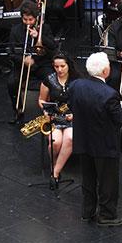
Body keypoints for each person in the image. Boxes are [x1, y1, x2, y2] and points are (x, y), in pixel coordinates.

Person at [68, 52, 122, 226]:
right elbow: (118, 118)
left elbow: (75, 106)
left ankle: (87, 211)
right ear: (106, 71)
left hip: (84, 141)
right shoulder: (110, 94)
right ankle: (107, 215)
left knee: (88, 179)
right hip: (105, 145)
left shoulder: (75, 86)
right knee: (107, 182)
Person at [8, 1, 56, 123]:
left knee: (52, 80)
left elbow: (53, 47)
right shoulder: (15, 30)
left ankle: (51, 111)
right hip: (23, 64)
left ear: (36, 18)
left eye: (31, 20)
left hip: (41, 63)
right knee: (12, 82)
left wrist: (39, 37)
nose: (28, 23)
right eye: (25, 19)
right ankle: (17, 110)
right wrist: (23, 59)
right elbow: (11, 53)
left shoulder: (45, 28)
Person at [39, 53, 81, 189]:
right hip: (55, 116)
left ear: (68, 65)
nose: (59, 69)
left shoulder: (77, 80)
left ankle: (55, 173)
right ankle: (55, 165)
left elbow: (83, 100)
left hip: (72, 116)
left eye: (62, 66)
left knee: (70, 138)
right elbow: (41, 100)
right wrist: (45, 111)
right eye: (56, 66)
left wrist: (75, 114)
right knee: (55, 143)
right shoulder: (49, 79)